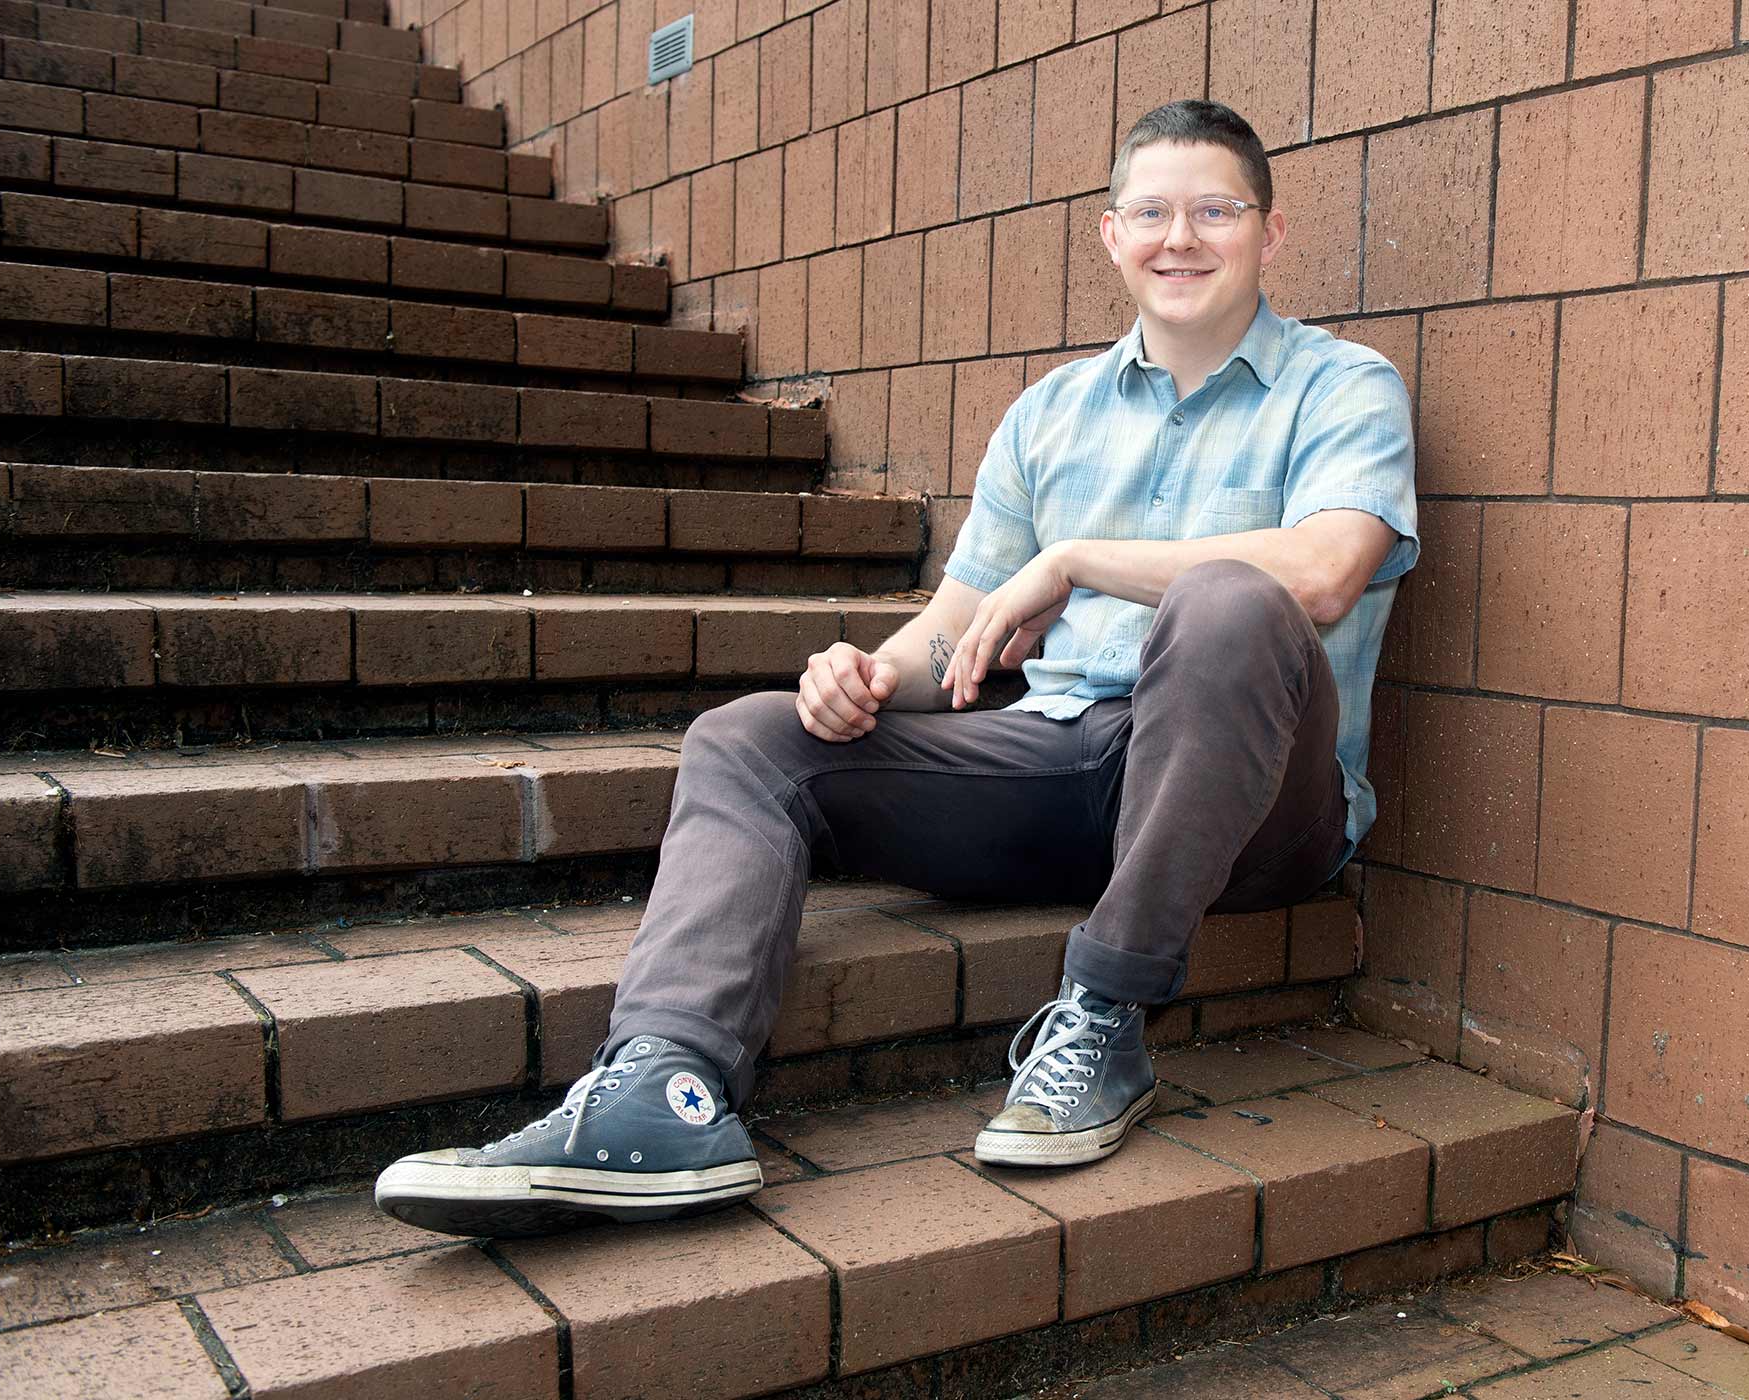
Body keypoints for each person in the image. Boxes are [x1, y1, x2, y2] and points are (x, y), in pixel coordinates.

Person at [375, 99, 1420, 1237]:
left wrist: (1074, 562)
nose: (1183, 237)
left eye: (1216, 210)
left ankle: (1106, 1017)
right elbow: (955, 631)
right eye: (1154, 211)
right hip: (1059, 762)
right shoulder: (1047, 415)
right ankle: (664, 1089)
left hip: (1258, 805)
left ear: (1269, 234)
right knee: (752, 734)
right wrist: (861, 675)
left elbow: (1323, 571)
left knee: (1230, 602)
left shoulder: (1344, 385)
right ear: (1110, 234)